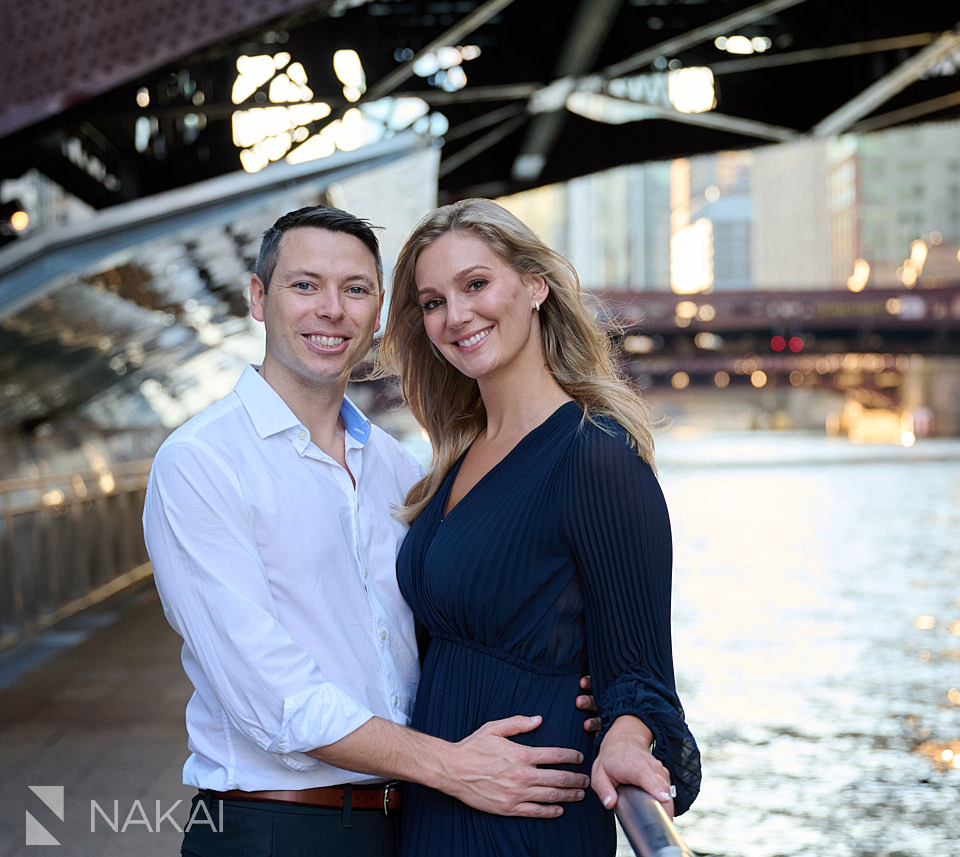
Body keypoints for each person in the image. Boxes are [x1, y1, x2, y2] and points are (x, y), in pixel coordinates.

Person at [143, 205, 597, 857]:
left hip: (407, 820)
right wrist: (449, 764)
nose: (332, 309)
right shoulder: (200, 463)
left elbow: (447, 629)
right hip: (276, 829)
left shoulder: (396, 465)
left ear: (379, 310)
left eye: (355, 289)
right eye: (304, 285)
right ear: (256, 298)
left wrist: (584, 691)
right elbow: (270, 696)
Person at [375, 198, 702, 857]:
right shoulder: (455, 459)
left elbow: (640, 675)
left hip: (526, 814)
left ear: (533, 285)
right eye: (433, 301)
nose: (455, 314)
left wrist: (627, 734)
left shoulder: (595, 455)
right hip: (441, 801)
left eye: (476, 284)